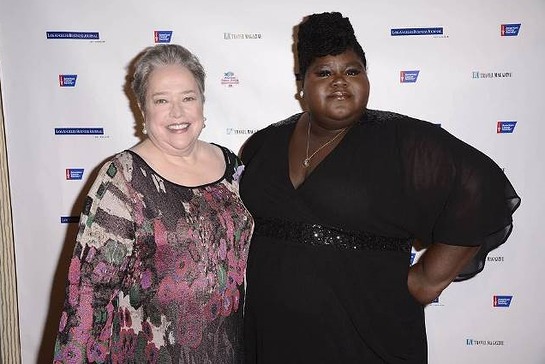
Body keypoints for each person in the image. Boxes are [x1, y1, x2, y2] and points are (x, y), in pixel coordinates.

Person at [239, 12, 520, 363]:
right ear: (301, 84)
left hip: (367, 334)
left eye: (352, 71)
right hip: (273, 333)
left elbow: (482, 188)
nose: (340, 81)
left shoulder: (400, 140)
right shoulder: (264, 144)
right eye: (324, 72)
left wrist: (428, 279)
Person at [53, 44, 254, 363]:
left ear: (202, 102)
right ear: (142, 109)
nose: (177, 113)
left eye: (188, 97)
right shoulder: (123, 178)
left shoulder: (233, 168)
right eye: (162, 100)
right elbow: (88, 300)